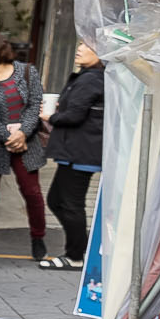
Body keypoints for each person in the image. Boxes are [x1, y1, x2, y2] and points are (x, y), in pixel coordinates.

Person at [0, 33, 48, 264]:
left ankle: (38, 238)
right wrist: (7, 135)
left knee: (32, 192)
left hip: (27, 141)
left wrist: (23, 132)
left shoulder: (26, 71)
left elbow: (35, 104)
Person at [43, 40, 103, 269]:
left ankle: (76, 256)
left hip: (81, 153)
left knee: (70, 203)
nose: (79, 48)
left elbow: (74, 115)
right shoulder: (89, 76)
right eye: (78, 43)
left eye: (87, 45)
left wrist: (51, 118)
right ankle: (80, 249)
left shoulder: (92, 79)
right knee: (57, 200)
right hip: (74, 151)